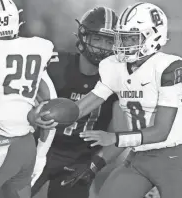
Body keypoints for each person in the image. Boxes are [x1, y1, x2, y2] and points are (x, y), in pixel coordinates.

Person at [29, 2, 182, 198]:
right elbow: (82, 107)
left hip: (170, 156)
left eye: (131, 38)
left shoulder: (169, 67)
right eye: (122, 38)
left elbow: (161, 132)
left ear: (152, 36)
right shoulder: (114, 67)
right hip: (135, 157)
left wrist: (111, 142)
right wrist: (41, 114)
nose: (124, 45)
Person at [30, 7, 127, 198]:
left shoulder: (120, 80)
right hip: (39, 149)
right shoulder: (54, 65)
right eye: (97, 39)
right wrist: (33, 115)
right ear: (83, 37)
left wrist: (93, 166)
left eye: (109, 42)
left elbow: (121, 137)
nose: (102, 47)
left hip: (78, 159)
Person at [0, 0, 57, 197]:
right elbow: (51, 101)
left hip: (0, 143)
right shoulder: (37, 47)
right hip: (26, 146)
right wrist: (41, 155)